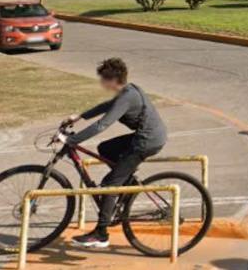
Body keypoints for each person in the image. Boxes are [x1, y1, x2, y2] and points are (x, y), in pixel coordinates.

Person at [60, 58, 167, 249]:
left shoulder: (127, 97)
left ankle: (101, 234)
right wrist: (79, 116)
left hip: (146, 142)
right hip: (147, 136)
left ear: (112, 80)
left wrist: (72, 141)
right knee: (106, 149)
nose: (101, 82)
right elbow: (107, 106)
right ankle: (125, 182)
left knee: (109, 185)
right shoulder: (127, 91)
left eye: (102, 79)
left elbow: (103, 124)